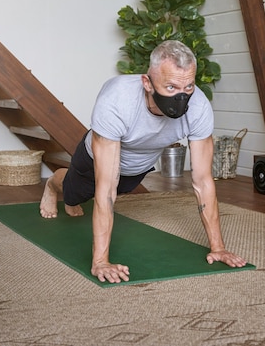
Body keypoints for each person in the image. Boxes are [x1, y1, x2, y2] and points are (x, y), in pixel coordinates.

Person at [39, 40, 247, 283]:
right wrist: (100, 262)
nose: (181, 96)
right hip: (96, 156)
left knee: (122, 187)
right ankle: (53, 184)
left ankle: (70, 189)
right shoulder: (117, 99)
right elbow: (106, 188)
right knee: (77, 194)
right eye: (170, 87)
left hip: (137, 166)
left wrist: (218, 247)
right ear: (147, 83)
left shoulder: (198, 106)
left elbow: (202, 181)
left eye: (188, 86)